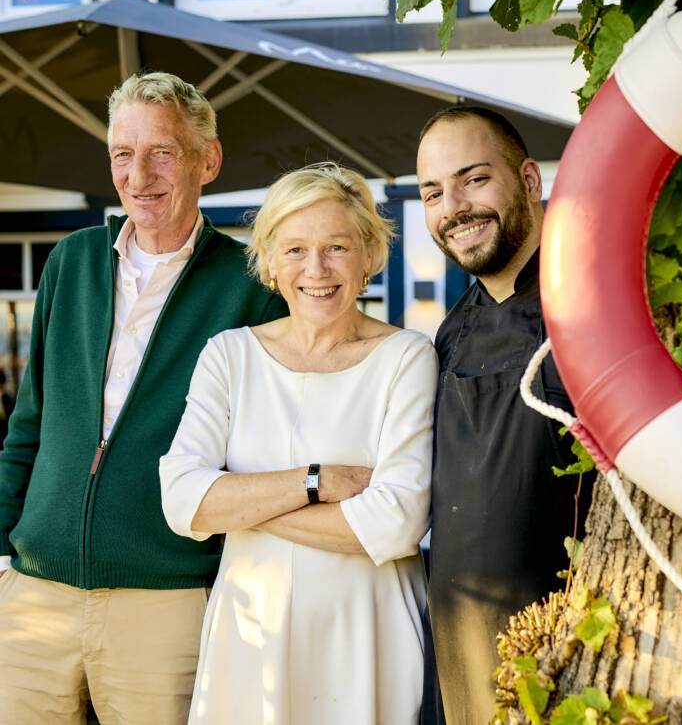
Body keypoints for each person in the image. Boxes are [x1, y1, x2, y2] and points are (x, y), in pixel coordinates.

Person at [0, 72, 287, 724]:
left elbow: (262, 455)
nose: (139, 175)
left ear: (206, 161)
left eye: (161, 151)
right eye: (122, 155)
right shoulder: (69, 263)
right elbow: (28, 425)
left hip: (167, 597)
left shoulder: (252, 289)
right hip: (32, 595)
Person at [159, 162, 436, 725]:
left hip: (368, 630)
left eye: (337, 246)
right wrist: (315, 482)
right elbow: (180, 501)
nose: (317, 269)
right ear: (267, 263)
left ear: (368, 257)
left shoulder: (407, 357)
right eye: (294, 250)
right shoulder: (228, 355)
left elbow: (396, 522)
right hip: (250, 631)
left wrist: (240, 507)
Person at [417, 107, 590, 724]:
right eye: (434, 192)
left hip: (570, 651)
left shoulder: (592, 304)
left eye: (474, 179)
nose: (454, 207)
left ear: (529, 180)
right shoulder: (448, 334)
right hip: (459, 655)